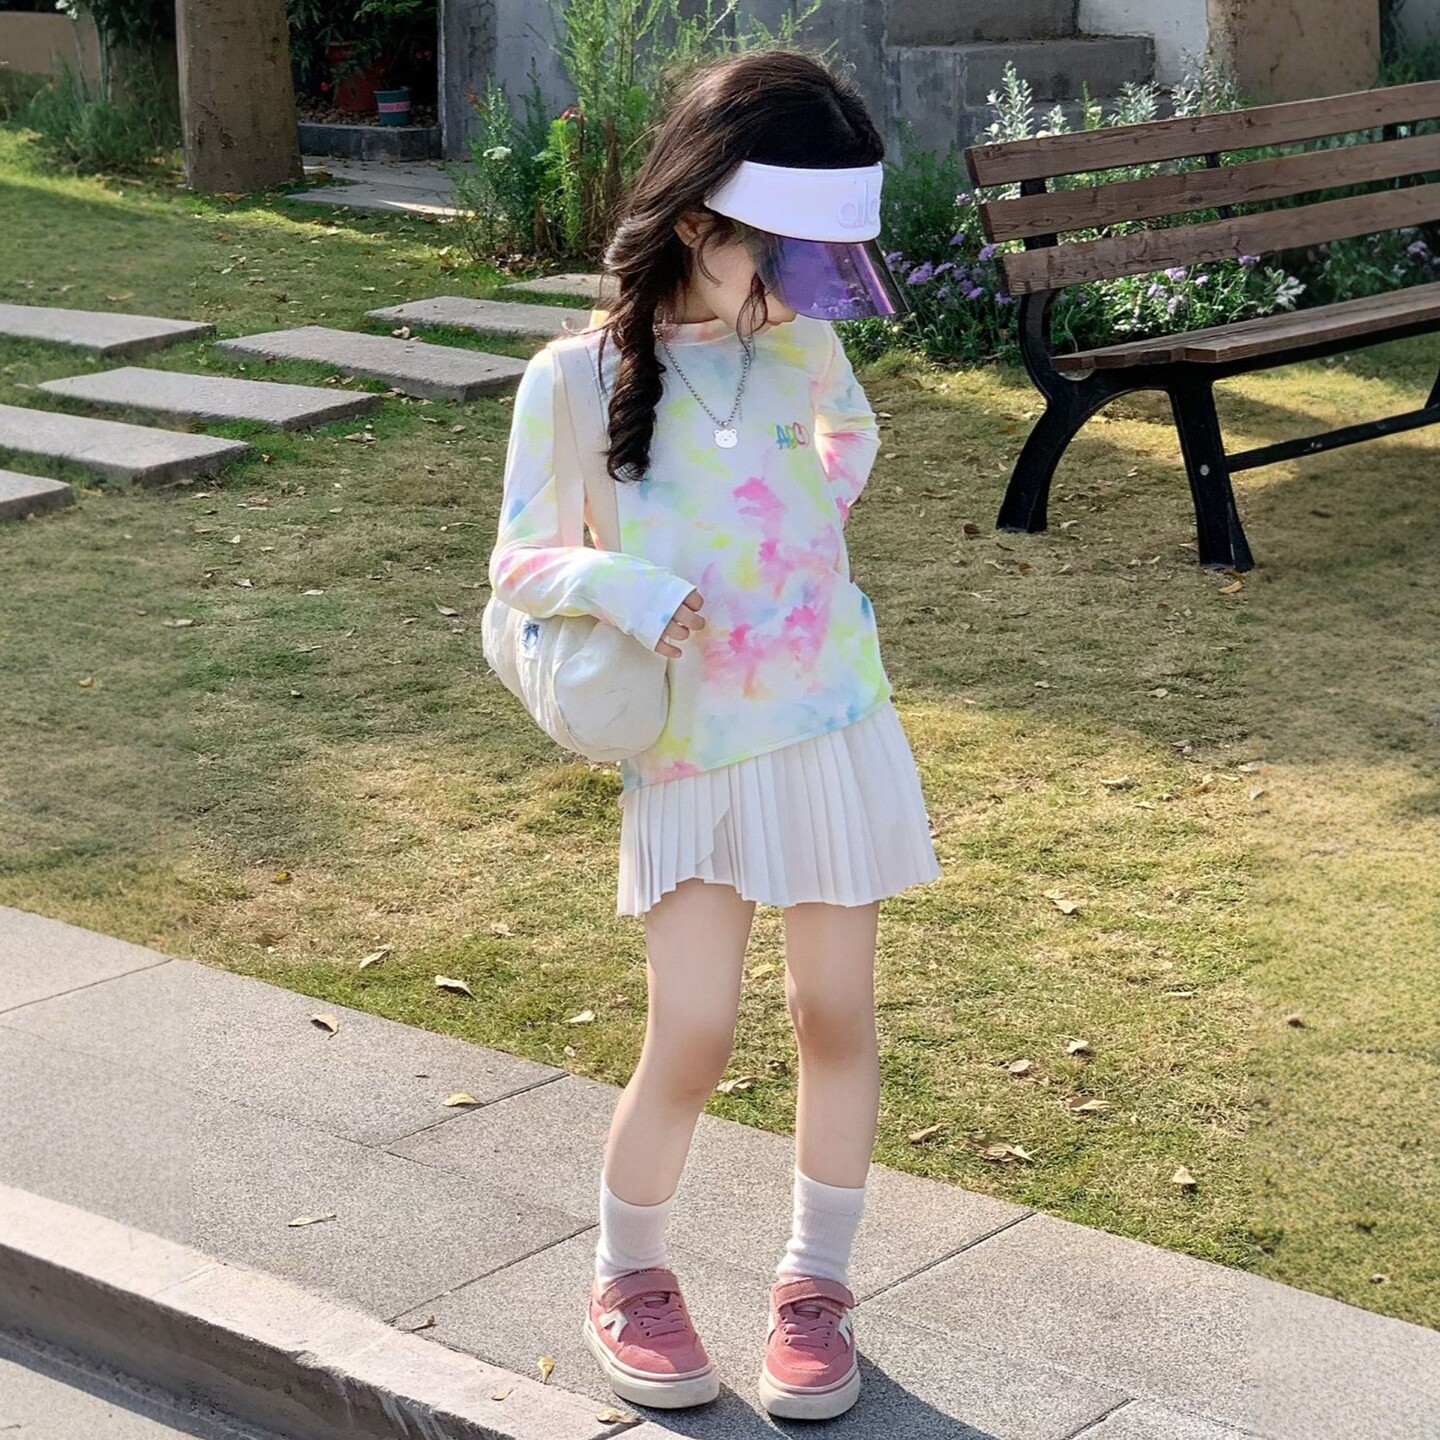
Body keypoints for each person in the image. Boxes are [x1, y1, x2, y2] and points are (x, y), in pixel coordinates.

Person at [487, 45, 941, 1422]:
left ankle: (817, 1287)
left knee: (833, 1013)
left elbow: (846, 438)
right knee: (692, 1026)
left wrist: (799, 523)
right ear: (698, 221)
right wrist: (631, 587)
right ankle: (627, 1276)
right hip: (690, 750)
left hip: (832, 722)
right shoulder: (572, 380)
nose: (805, 286)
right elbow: (517, 563)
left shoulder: (803, 342)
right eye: (783, 255)